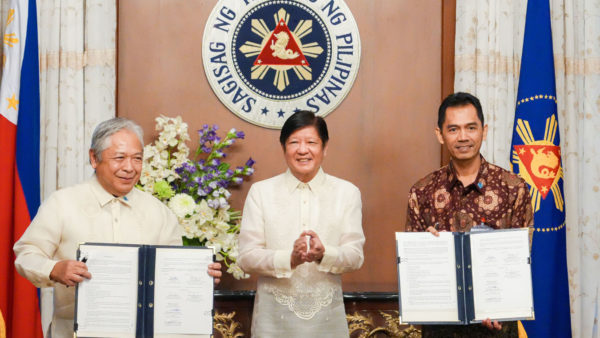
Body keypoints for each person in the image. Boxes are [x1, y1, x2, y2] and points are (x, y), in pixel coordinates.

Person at [14, 117, 222, 337]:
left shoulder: (160, 213)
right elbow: (26, 255)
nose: (129, 168)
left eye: (137, 158)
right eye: (120, 158)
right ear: (94, 158)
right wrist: (54, 269)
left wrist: (198, 276)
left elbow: (172, 277)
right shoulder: (62, 203)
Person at [405, 92, 533, 337]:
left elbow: (520, 259)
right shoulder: (422, 191)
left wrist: (502, 308)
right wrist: (425, 249)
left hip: (495, 325)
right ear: (439, 135)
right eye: (453, 129)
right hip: (440, 327)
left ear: (484, 131)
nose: (463, 137)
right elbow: (413, 268)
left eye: (471, 128)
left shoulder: (513, 188)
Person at [238, 111, 365, 337]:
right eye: (294, 142)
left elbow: (355, 255)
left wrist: (324, 254)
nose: (302, 149)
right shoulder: (261, 192)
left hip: (327, 322)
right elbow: (247, 257)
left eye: (311, 142)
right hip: (272, 322)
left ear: (325, 148)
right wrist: (289, 259)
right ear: (283, 148)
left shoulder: (347, 193)